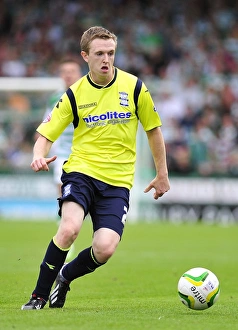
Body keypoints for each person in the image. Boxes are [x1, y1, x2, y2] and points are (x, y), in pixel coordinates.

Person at [21, 26, 170, 310]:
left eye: (111, 53)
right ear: (85, 56)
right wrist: (38, 154)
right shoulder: (74, 94)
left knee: (105, 249)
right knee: (69, 229)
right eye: (100, 53)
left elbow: (154, 130)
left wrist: (162, 173)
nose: (106, 59)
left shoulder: (135, 87)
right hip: (81, 172)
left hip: (117, 182)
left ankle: (65, 276)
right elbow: (46, 134)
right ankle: (38, 296)